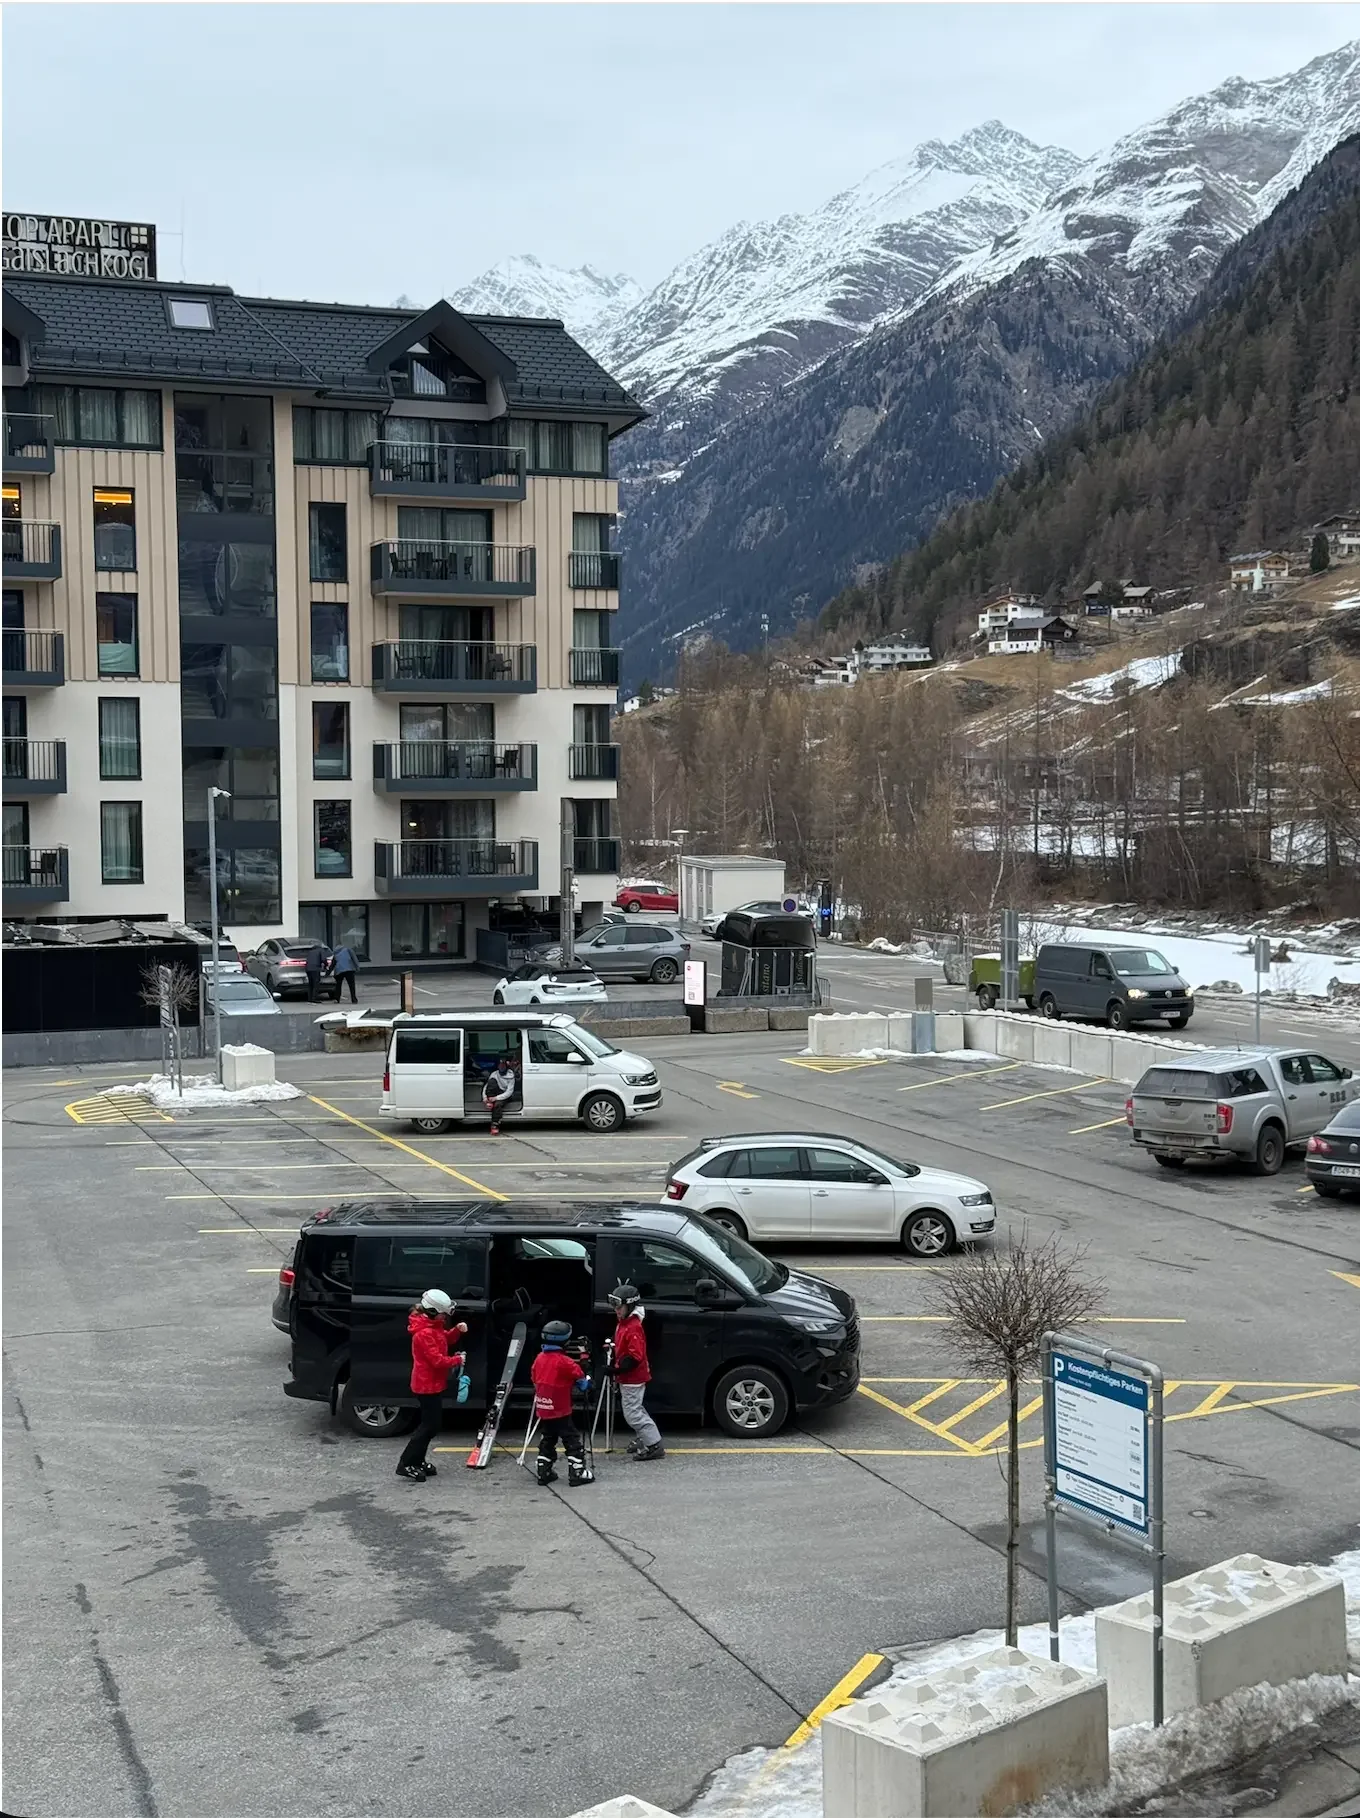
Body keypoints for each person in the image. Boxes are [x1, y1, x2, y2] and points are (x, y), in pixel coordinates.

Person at [395, 1289, 468, 1482]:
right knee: (429, 1426)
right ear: (435, 1311)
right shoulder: (423, 1334)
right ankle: (407, 1463)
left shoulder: (432, 1326)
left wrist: (456, 1331)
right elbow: (436, 1360)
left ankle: (417, 1460)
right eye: (444, 1313)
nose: (445, 1316)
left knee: (431, 1426)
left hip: (433, 1384)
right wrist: (457, 1360)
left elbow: (444, 1339)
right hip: (426, 1385)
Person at [530, 1321, 594, 1487]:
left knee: (548, 1439)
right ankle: (577, 1472)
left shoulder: (539, 1359)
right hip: (561, 1410)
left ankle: (544, 1471)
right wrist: (585, 1359)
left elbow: (534, 1379)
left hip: (543, 1409)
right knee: (571, 1439)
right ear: (564, 1342)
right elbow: (582, 1382)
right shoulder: (565, 1362)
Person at [609, 1282, 664, 1462]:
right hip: (628, 1376)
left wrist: (617, 1369)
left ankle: (654, 1444)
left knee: (632, 1414)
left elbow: (635, 1356)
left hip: (632, 1377)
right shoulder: (624, 1322)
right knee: (636, 1409)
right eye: (614, 1306)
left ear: (630, 1305)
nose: (616, 1309)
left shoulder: (632, 1327)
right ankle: (645, 1437)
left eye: (619, 1306)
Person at [483, 1058, 516, 1135]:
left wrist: (496, 1098)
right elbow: (486, 1086)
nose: (501, 1067)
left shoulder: (511, 1076)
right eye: (500, 1065)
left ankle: (495, 1125)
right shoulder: (494, 1074)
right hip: (496, 1092)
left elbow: (509, 1092)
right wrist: (485, 1097)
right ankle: (489, 1101)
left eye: (503, 1065)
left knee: (497, 1105)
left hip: (505, 1095)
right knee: (491, 1081)